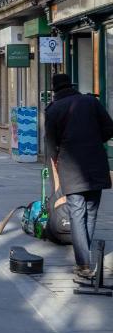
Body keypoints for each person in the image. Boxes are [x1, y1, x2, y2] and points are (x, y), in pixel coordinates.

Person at [45, 73, 113, 279]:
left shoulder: (53, 109)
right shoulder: (91, 102)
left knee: (77, 213)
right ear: (71, 86)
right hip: (96, 165)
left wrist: (57, 158)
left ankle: (83, 263)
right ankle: (85, 257)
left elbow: (50, 142)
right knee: (90, 212)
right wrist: (93, 140)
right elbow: (110, 128)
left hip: (71, 167)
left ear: (54, 91)